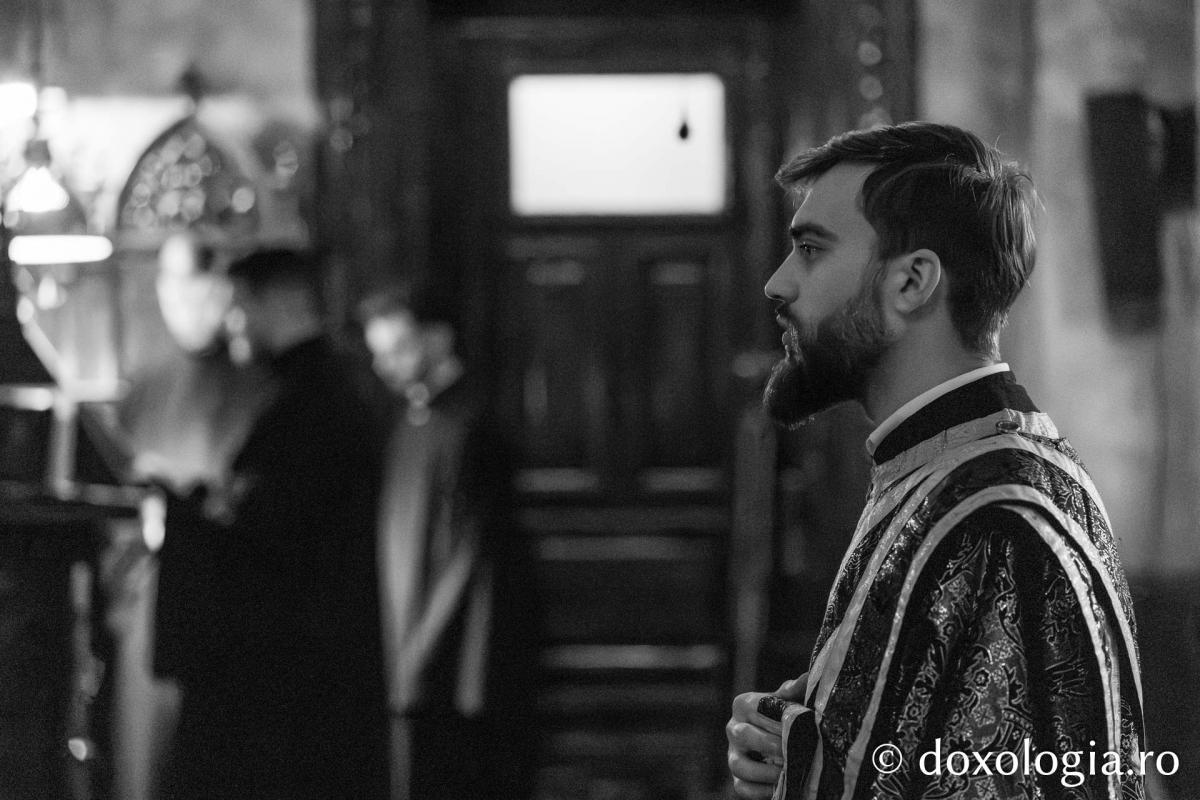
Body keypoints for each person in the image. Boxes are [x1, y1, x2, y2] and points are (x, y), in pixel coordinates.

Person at [725, 123, 1143, 799]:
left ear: (914, 281)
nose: (778, 283)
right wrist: (799, 738)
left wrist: (808, 766)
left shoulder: (995, 513)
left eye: (810, 250)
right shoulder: (941, 468)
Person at [156, 247, 388, 800]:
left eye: (238, 307)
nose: (230, 324)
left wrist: (183, 509)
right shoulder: (315, 393)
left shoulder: (314, 405)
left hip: (288, 679)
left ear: (276, 304)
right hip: (307, 672)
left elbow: (270, 539)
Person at [361, 287, 526, 800]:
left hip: (452, 652)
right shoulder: (404, 419)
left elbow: (469, 556)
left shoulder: (473, 424)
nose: (384, 366)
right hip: (406, 637)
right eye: (378, 354)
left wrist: (421, 651)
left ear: (437, 338)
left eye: (398, 348)